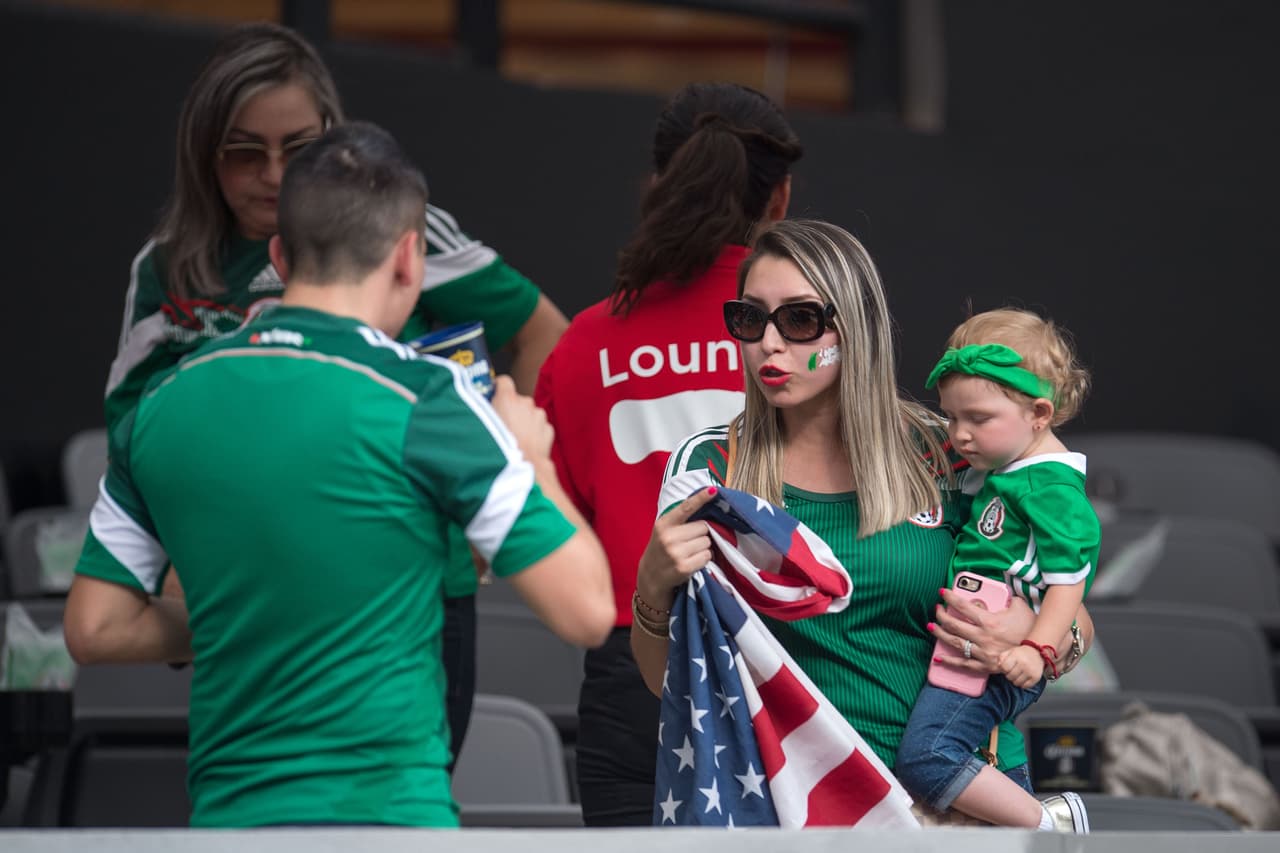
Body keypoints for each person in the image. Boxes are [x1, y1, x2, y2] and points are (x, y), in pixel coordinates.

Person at [63, 121, 614, 828]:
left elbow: (95, 625)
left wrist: (254, 616)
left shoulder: (164, 402)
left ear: (280, 254)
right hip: (391, 821)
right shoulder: (433, 399)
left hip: (229, 823)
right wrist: (533, 458)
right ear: (410, 257)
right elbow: (587, 608)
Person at [101, 22, 569, 766]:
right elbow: (133, 426)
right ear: (203, 153)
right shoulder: (169, 267)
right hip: (249, 586)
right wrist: (181, 555)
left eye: (299, 145)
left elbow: (548, 335)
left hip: (409, 589)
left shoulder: (402, 230)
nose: (274, 172)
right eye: (244, 150)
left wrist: (491, 483)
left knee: (401, 802)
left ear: (333, 133)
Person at [630, 219, 1092, 826]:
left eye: (798, 321)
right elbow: (670, 681)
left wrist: (1032, 637)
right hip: (794, 807)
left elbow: (1073, 610)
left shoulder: (947, 449)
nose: (769, 344)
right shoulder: (712, 466)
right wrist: (651, 588)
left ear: (856, 327)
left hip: (957, 802)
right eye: (750, 319)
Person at [533, 81, 802, 826]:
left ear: (658, 185)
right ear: (779, 200)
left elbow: (566, 517)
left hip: (634, 677)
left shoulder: (585, 342)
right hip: (791, 665)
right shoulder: (812, 341)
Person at [893, 308, 1098, 830]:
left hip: (1002, 655)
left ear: (1039, 413)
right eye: (951, 417)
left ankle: (1048, 825)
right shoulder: (997, 472)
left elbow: (1069, 578)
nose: (959, 435)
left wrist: (1038, 647)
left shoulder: (1048, 486)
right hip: (970, 648)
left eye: (978, 419)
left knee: (928, 756)